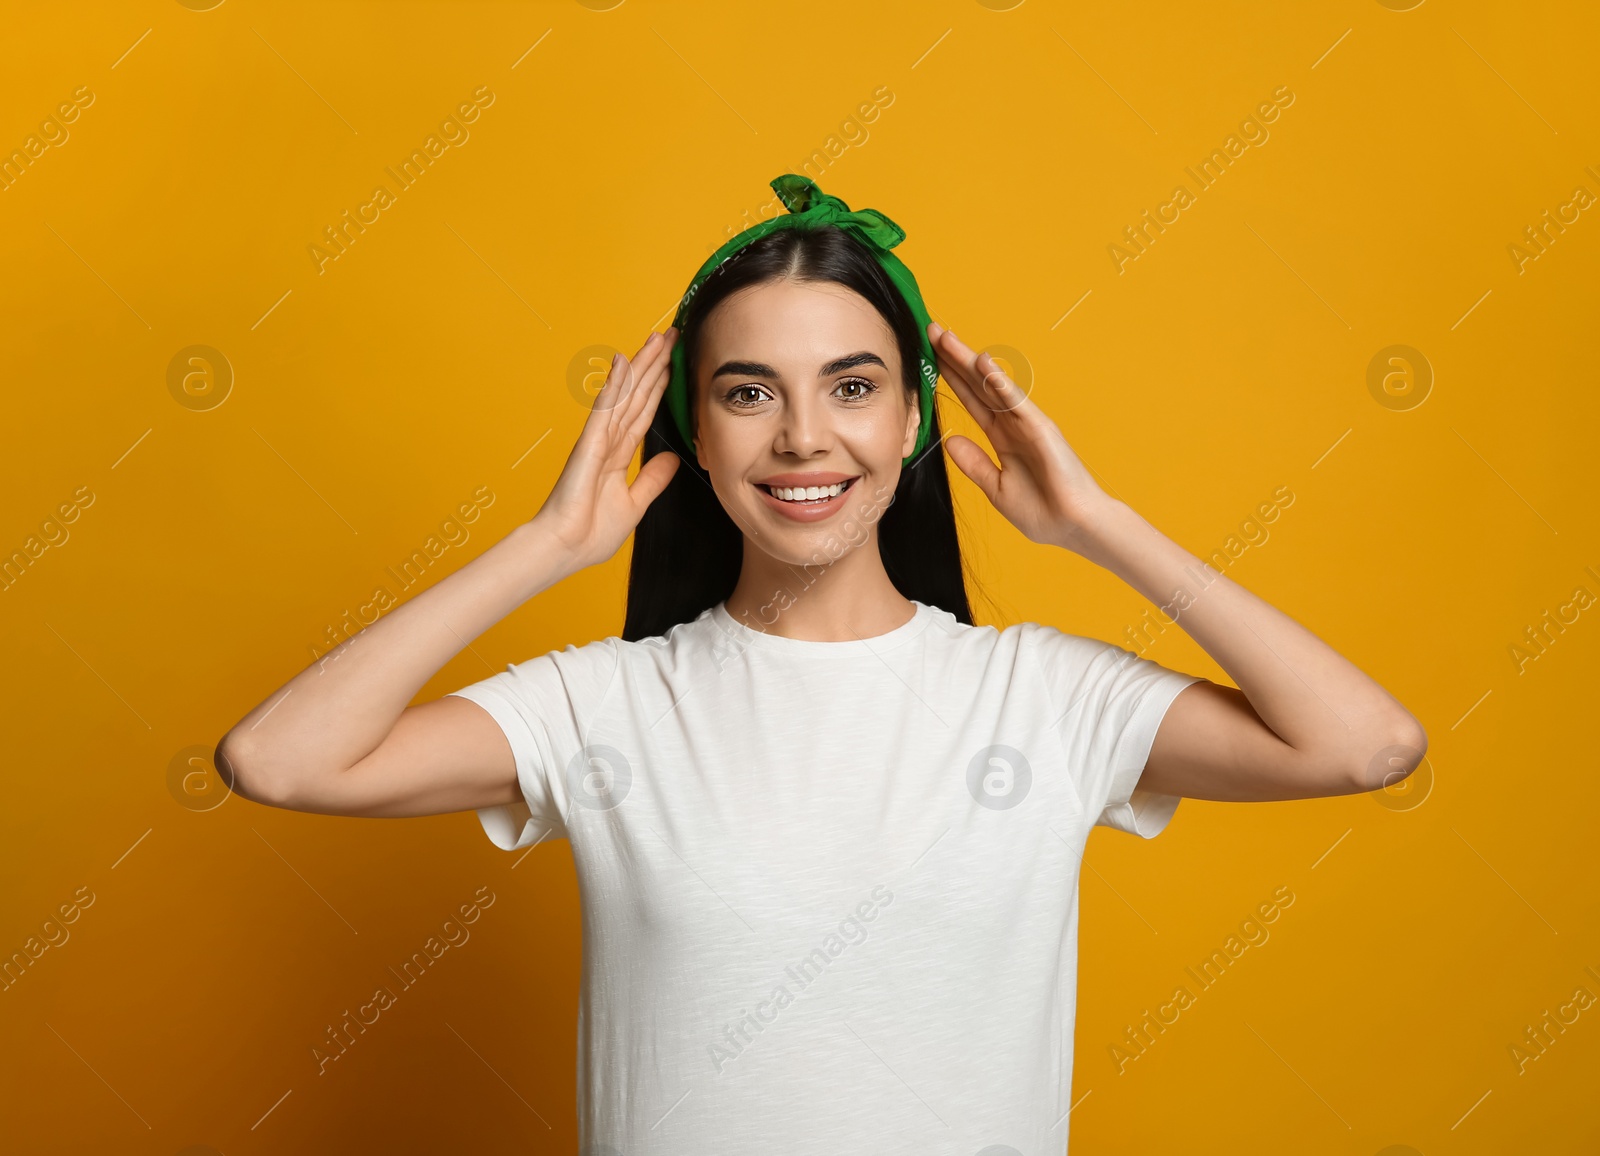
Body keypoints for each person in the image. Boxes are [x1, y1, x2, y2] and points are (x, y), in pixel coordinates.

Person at [217, 175, 1426, 1153]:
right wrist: (546, 549)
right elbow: (276, 759)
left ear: (910, 424)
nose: (803, 436)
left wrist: (1093, 522)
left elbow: (1364, 743)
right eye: (749, 392)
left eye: (852, 387)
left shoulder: (1042, 696)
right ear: (693, 432)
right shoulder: (608, 704)